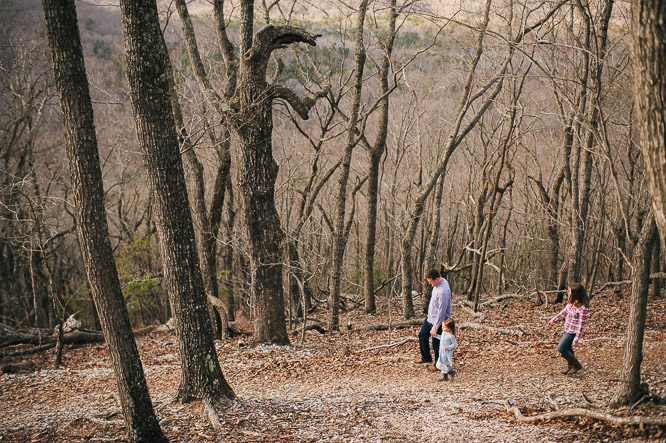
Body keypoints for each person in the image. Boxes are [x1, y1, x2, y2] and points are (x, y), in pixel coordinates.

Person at [547, 283, 589, 375]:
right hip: (566, 329)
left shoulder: (583, 308)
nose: (569, 293)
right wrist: (553, 320)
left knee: (561, 348)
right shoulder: (571, 302)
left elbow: (580, 325)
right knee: (568, 349)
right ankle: (570, 367)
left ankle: (576, 365)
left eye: (570, 291)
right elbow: (564, 312)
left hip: (572, 332)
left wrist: (576, 339)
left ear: (575, 293)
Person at [414, 268, 452, 372]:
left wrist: (435, 327)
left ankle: (438, 365)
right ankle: (426, 357)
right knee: (422, 335)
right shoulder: (439, 282)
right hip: (430, 317)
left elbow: (442, 311)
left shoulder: (443, 291)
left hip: (439, 320)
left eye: (431, 281)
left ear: (437, 279)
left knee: (436, 343)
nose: (430, 284)